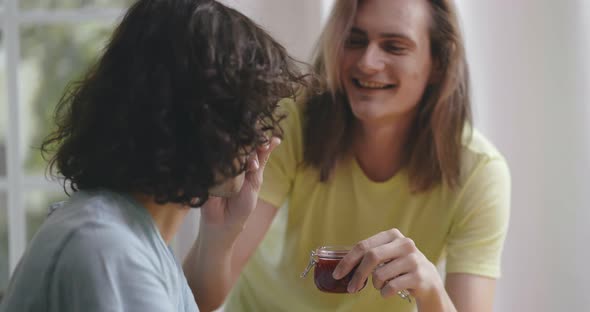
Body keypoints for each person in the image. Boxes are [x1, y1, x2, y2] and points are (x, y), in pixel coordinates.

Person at [197, 0, 511, 311]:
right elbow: (200, 299)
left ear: (438, 63)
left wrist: (430, 291)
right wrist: (216, 232)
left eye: (394, 46)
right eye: (354, 40)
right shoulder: (291, 124)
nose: (367, 62)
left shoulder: (478, 172)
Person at [0, 0, 306, 311]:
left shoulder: (128, 234)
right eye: (246, 110)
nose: (260, 133)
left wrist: (223, 229)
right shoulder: (108, 249)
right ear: (193, 116)